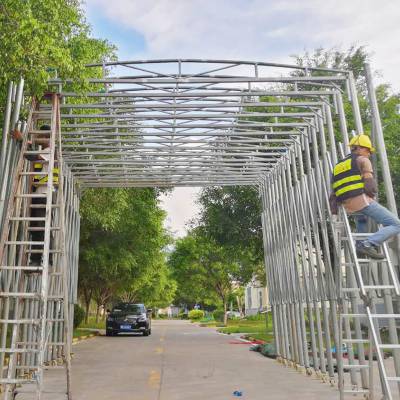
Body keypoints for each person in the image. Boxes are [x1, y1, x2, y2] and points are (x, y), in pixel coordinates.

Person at [330, 134, 400, 259]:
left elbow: (333, 192)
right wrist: (372, 196)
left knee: (362, 218)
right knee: (395, 224)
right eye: (368, 150)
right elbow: (370, 185)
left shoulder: (338, 166)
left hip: (346, 204)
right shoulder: (362, 160)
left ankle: (359, 247)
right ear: (359, 148)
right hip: (360, 200)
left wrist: (334, 210)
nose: (369, 153)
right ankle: (367, 244)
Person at [12, 125, 58, 268]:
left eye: (40, 136)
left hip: (45, 195)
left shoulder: (50, 151)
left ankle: (41, 259)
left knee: (40, 227)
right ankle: (40, 258)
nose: (38, 138)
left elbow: (32, 156)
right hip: (40, 194)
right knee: (36, 227)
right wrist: (27, 143)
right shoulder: (46, 151)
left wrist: (21, 141)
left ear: (47, 138)